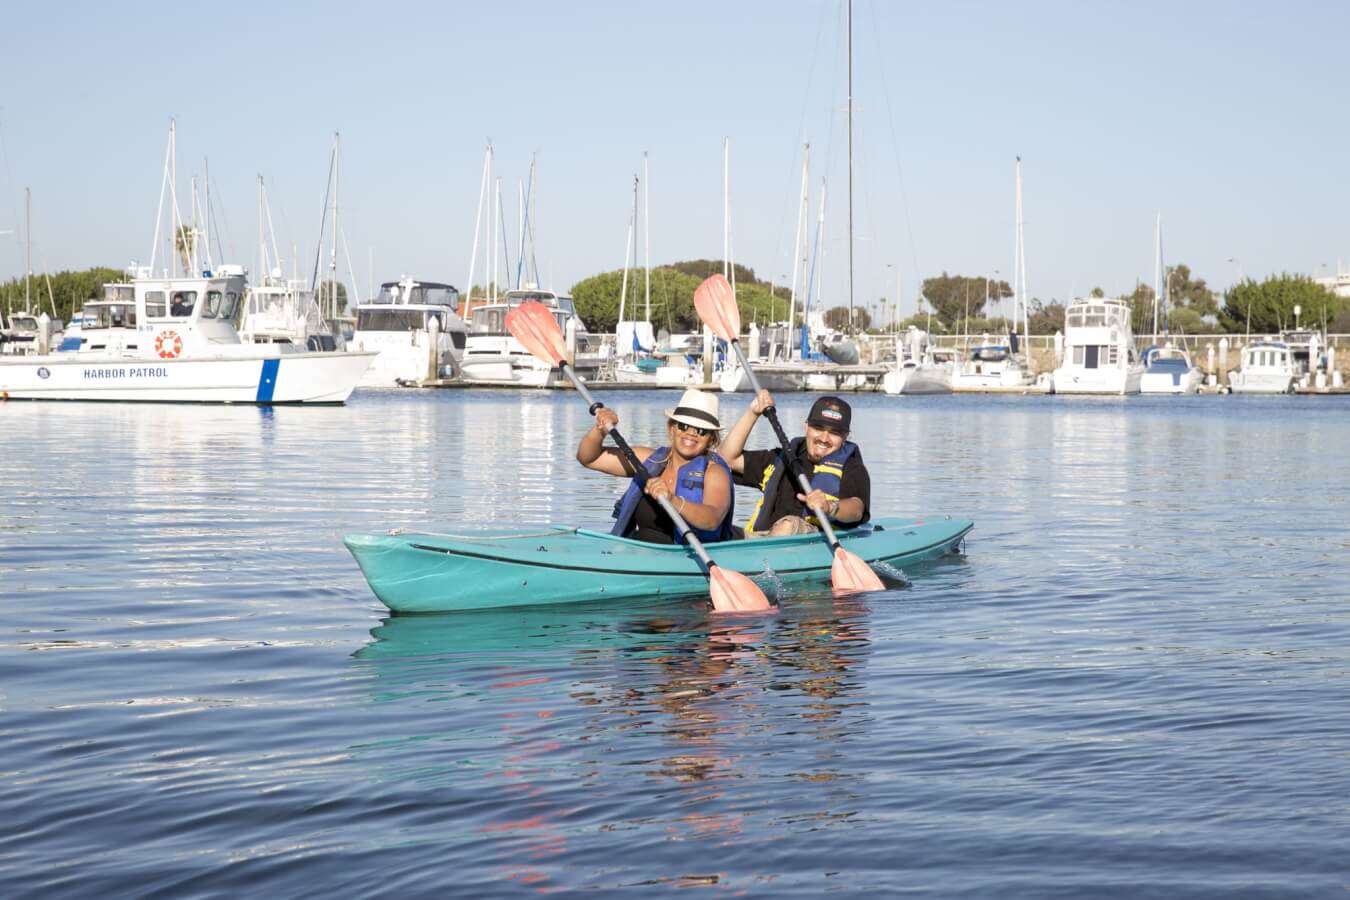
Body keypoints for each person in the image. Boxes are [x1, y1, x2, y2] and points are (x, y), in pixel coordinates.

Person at [576, 388, 736, 545]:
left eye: (701, 431)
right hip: (641, 553)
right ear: (672, 428)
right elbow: (589, 458)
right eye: (684, 426)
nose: (691, 433)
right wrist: (600, 431)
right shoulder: (648, 460)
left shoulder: (714, 472)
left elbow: (712, 519)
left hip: (688, 558)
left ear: (711, 439)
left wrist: (672, 499)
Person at [719, 391, 870, 538]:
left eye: (834, 433)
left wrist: (829, 506)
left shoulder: (852, 468)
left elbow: (856, 509)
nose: (824, 438)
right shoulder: (782, 458)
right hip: (762, 540)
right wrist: (753, 413)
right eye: (818, 428)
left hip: (811, 541)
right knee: (715, 529)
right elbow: (727, 459)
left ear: (845, 437)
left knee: (788, 525)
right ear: (806, 427)